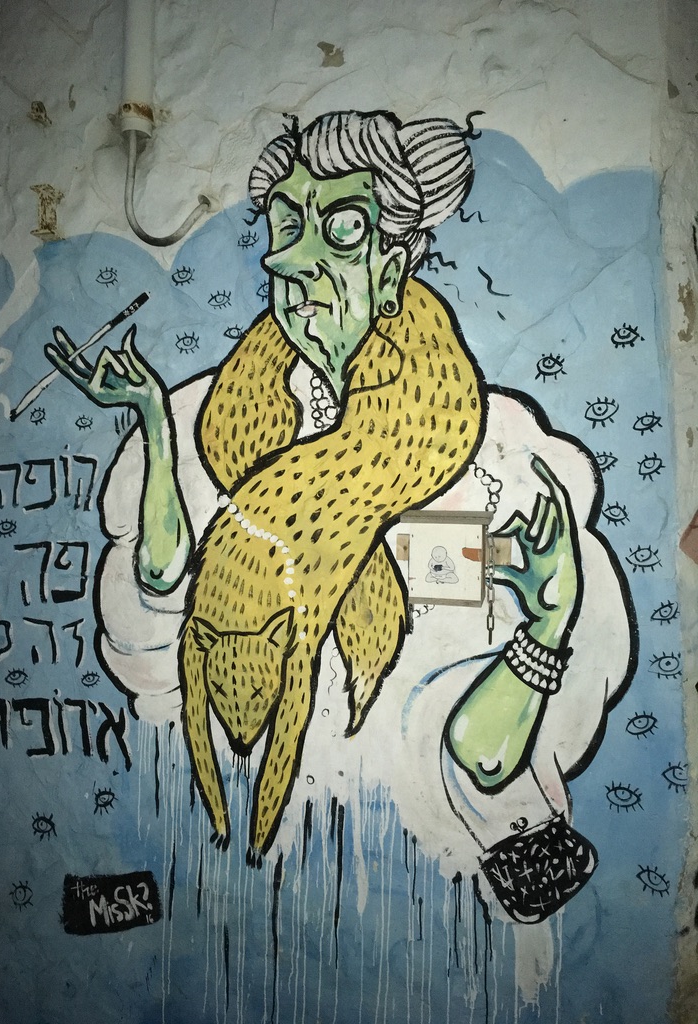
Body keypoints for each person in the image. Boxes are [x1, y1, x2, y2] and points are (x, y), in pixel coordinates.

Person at [45, 111, 633, 915]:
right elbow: (157, 590)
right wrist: (150, 419)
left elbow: (488, 759)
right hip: (243, 881)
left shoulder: (491, 457)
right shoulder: (209, 425)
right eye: (287, 224)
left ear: (394, 266)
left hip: (421, 892)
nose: (291, 259)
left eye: (342, 228)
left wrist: (548, 624)